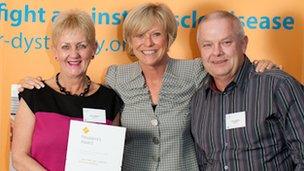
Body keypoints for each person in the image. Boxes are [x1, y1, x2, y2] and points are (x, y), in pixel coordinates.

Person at [18, 3, 279, 171]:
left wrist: (258, 65)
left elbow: (227, 66)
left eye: (156, 34)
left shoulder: (196, 71)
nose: (148, 42)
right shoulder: (117, 78)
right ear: (130, 43)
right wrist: (27, 86)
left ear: (169, 37)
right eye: (140, 35)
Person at [191, 10, 304, 171]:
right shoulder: (198, 101)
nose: (216, 52)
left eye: (226, 42)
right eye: (207, 45)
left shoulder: (277, 86)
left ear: (243, 43)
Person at [11, 10, 123, 171]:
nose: (74, 54)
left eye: (81, 46)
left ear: (94, 49)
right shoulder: (34, 95)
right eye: (65, 47)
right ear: (55, 52)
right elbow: (19, 157)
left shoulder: (109, 100)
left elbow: (111, 160)